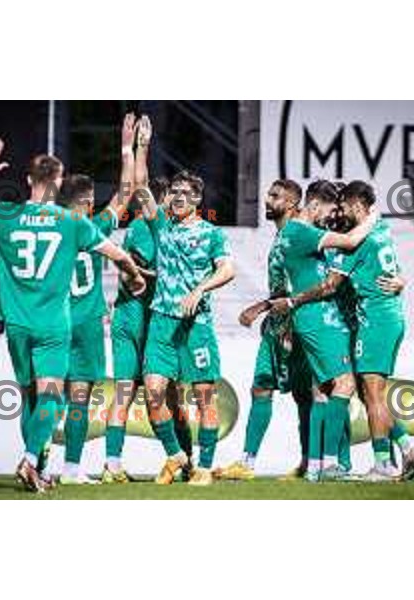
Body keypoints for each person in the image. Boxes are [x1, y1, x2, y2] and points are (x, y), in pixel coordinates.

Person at [0, 139, 145, 493]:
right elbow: (117, 249)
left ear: (27, 180)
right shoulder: (74, 222)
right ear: (59, 180)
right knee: (55, 396)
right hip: (56, 327)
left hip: (18, 326)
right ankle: (32, 459)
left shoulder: (4, 214)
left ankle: (38, 464)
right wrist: (132, 272)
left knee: (30, 397)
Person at [271, 180, 414, 481]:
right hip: (374, 320)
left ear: (355, 206)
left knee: (359, 391)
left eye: (340, 208)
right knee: (366, 394)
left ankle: (367, 463)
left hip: (369, 322)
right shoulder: (381, 231)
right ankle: (405, 450)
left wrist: (292, 301)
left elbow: (331, 282)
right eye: (334, 208)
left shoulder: (356, 239)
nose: (336, 214)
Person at [134, 166, 235, 486]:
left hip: (196, 326)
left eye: (184, 193)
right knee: (152, 393)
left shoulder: (211, 233)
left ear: (197, 198)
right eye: (174, 192)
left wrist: (200, 289)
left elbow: (228, 270)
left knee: (204, 397)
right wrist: (138, 148)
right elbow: (139, 187)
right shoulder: (161, 226)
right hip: (162, 323)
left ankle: (204, 466)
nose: (177, 198)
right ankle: (176, 455)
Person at [104, 116, 192, 483]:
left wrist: (137, 147)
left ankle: (114, 464)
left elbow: (134, 269)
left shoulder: (156, 228)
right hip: (146, 320)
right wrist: (140, 147)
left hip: (136, 317)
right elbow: (139, 185)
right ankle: (184, 458)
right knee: (168, 394)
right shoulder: (150, 226)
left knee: (136, 393)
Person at [214, 179, 314, 481]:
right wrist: (260, 308)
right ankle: (247, 462)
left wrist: (292, 319)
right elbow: (284, 287)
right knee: (261, 387)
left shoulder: (300, 234)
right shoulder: (282, 236)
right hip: (276, 326)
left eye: (275, 196)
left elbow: (310, 283)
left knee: (304, 396)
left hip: (297, 328)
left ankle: (311, 462)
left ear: (293, 204)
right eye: (268, 194)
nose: (267, 200)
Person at [58, 113, 138, 485]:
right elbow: (125, 195)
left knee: (43, 395)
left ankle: (35, 458)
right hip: (87, 323)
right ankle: (71, 469)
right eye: (91, 200)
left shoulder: (48, 230)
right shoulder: (93, 227)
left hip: (52, 322)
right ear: (87, 202)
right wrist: (127, 147)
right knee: (79, 398)